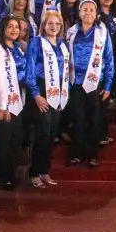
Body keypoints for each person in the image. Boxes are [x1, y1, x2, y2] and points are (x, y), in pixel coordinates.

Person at [65, 0, 114, 166]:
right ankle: (76, 153)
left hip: (95, 82)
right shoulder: (71, 32)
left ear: (96, 14)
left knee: (94, 119)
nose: (88, 13)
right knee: (77, 118)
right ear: (79, 13)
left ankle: (92, 155)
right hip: (75, 82)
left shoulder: (102, 32)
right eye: (84, 10)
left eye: (91, 10)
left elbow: (109, 58)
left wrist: (108, 85)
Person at [24, 11, 70, 188]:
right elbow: (29, 72)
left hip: (58, 92)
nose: (54, 27)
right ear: (44, 25)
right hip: (42, 91)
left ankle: (44, 171)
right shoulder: (36, 42)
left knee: (52, 134)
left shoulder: (62, 44)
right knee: (42, 134)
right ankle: (34, 172)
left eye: (57, 24)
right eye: (50, 23)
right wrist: (36, 95)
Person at [0, 16, 26, 190]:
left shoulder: (18, 48)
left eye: (16, 27)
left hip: (18, 99)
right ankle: (2, 178)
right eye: (9, 27)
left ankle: (11, 174)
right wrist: (3, 106)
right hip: (3, 101)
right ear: (2, 28)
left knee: (14, 140)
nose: (13, 30)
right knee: (2, 141)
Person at [97, 0, 116, 144]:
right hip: (98, 63)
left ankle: (103, 133)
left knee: (104, 100)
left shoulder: (115, 16)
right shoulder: (95, 15)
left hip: (112, 61)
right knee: (98, 100)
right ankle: (97, 134)